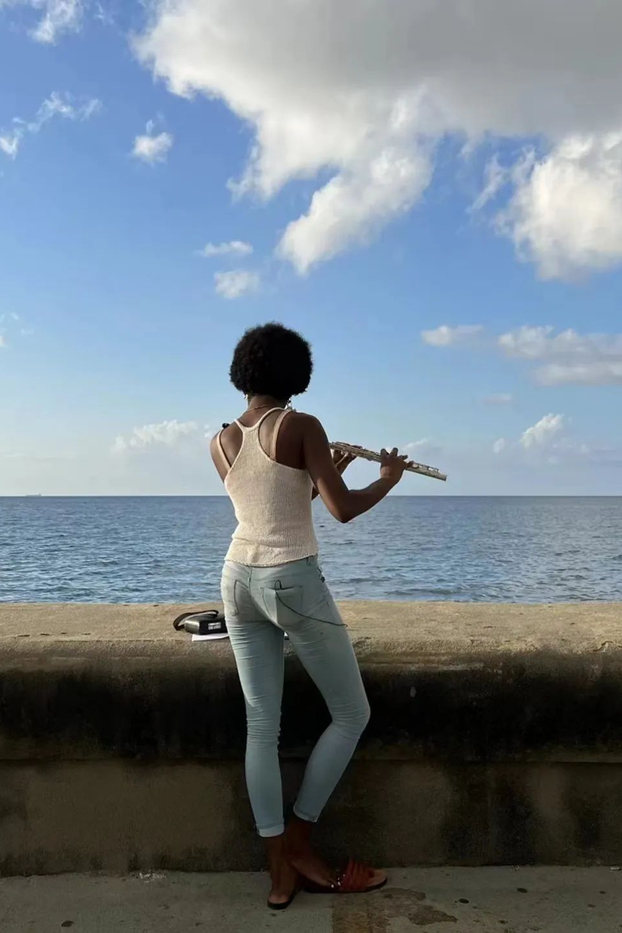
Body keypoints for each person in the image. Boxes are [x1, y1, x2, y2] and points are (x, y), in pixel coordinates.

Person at [210, 322, 408, 909]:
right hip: (290, 578)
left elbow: (273, 504)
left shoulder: (219, 440)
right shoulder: (302, 425)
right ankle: (299, 840)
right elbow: (341, 512)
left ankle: (278, 869)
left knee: (261, 727)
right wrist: (387, 480)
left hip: (237, 579)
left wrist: (324, 475)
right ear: (296, 373)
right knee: (351, 713)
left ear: (243, 372)